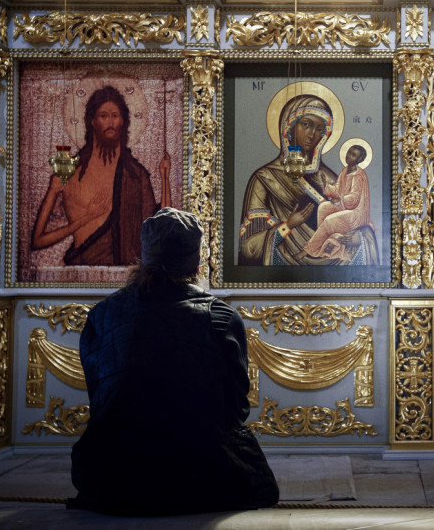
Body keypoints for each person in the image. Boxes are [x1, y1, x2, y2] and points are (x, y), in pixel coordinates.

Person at [70, 208, 279, 515]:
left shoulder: (103, 314)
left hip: (114, 479)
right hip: (203, 475)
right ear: (196, 262)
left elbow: (102, 401)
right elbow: (236, 408)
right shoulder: (220, 317)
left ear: (143, 257)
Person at [31, 85, 170, 266]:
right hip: (80, 272)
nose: (110, 123)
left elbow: (160, 227)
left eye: (115, 116)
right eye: (104, 116)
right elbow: (37, 240)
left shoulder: (136, 175)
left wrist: (165, 178)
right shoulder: (70, 172)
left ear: (123, 121)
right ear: (92, 121)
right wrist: (83, 219)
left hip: (128, 276)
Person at [239, 94, 379, 267]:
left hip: (334, 266)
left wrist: (360, 238)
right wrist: (288, 225)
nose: (312, 134)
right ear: (289, 128)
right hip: (282, 267)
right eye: (306, 124)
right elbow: (249, 248)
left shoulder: (326, 178)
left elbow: (359, 218)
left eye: (320, 129)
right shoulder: (265, 178)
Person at [304, 143, 374, 260]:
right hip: (346, 207)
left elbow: (354, 198)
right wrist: (327, 186)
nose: (349, 156)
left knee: (329, 220)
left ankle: (310, 249)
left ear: (359, 159)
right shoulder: (345, 171)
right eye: (349, 153)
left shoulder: (359, 175)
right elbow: (337, 189)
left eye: (353, 155)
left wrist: (340, 200)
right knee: (324, 207)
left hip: (357, 213)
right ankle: (324, 244)